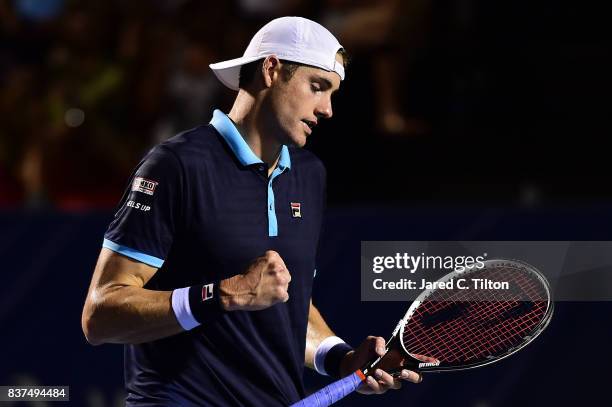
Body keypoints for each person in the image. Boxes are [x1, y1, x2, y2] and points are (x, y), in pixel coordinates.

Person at [81, 16, 426, 406]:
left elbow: (289, 304)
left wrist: (342, 360)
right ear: (271, 69)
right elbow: (101, 315)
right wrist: (225, 294)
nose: (328, 109)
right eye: (317, 87)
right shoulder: (175, 166)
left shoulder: (309, 175)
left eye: (332, 94)